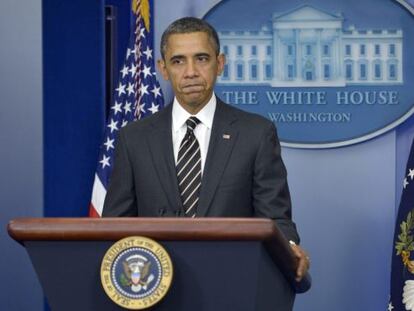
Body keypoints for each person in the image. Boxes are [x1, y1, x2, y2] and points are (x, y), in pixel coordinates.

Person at [103, 17, 310, 282]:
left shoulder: (255, 134)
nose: (190, 72)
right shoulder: (134, 138)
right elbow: (116, 224)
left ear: (219, 63)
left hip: (231, 283)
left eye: (201, 59)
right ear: (163, 69)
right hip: (154, 286)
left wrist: (289, 247)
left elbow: (275, 218)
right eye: (178, 61)